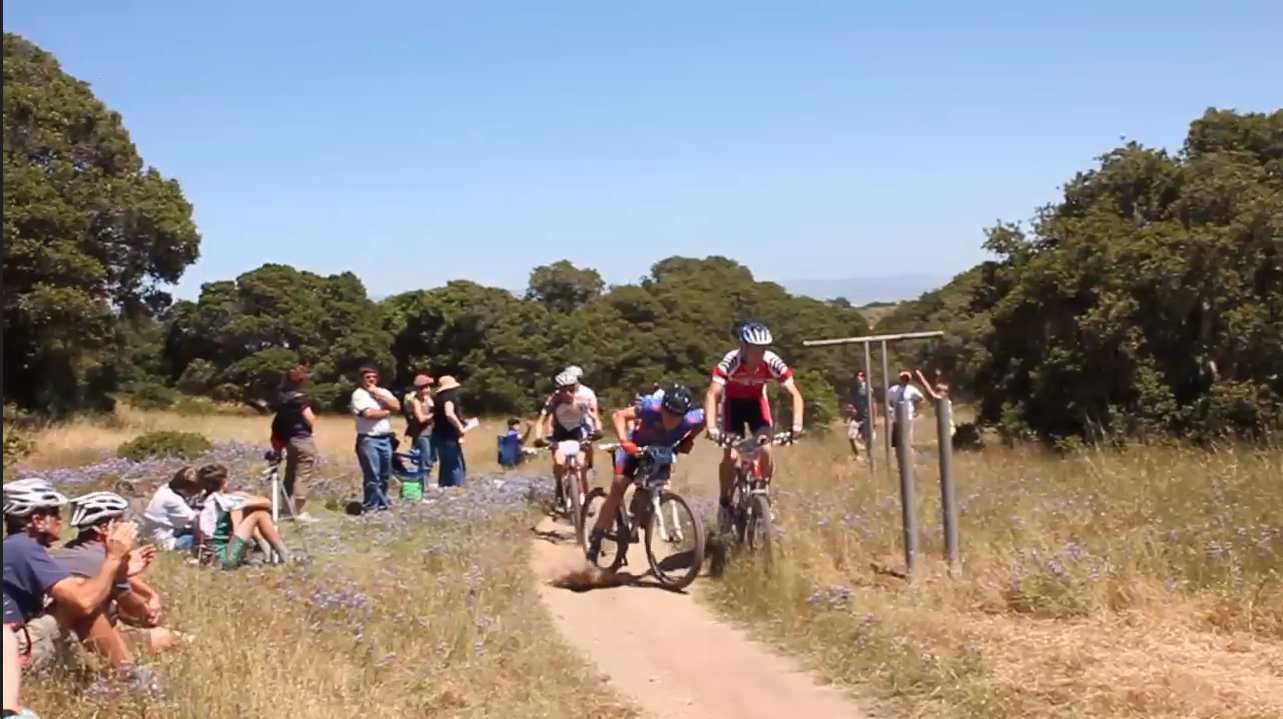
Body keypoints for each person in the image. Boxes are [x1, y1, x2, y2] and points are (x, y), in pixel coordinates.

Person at [3, 479, 146, 718]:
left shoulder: (17, 548)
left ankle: (115, 677)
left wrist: (118, 570)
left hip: (17, 643)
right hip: (13, 649)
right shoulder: (23, 548)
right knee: (79, 602)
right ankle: (129, 676)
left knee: (80, 595)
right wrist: (112, 559)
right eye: (55, 513)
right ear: (38, 521)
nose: (61, 519)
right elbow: (83, 601)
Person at [585, 386, 706, 564]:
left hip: (662, 452)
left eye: (676, 416)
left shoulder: (693, 417)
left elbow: (706, 419)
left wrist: (690, 438)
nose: (670, 420)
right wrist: (625, 442)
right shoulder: (651, 407)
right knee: (619, 485)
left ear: (684, 415)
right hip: (637, 449)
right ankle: (596, 537)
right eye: (667, 414)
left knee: (654, 487)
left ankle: (638, 512)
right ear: (662, 408)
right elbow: (619, 415)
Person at [702, 321, 805, 531]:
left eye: (763, 349)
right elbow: (712, 394)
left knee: (765, 448)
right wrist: (712, 427)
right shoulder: (731, 361)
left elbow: (795, 394)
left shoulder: (772, 362)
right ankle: (724, 503)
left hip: (757, 404)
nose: (760, 353)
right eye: (755, 349)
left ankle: (762, 494)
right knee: (731, 455)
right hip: (733, 406)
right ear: (744, 347)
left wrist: (796, 425)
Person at [55, 493, 177, 657]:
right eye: (121, 521)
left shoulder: (72, 550)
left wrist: (147, 592)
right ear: (106, 528)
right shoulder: (104, 559)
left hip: (71, 633)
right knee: (169, 637)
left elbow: (118, 580)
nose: (128, 527)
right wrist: (149, 612)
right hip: (93, 638)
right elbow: (133, 609)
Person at [194, 464, 295, 568]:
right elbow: (267, 503)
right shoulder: (225, 501)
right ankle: (284, 555)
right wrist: (243, 496)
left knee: (248, 513)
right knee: (259, 514)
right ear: (224, 483)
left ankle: (268, 552)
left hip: (206, 556)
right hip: (223, 560)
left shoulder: (201, 500)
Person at [538, 370, 603, 507]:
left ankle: (585, 497)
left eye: (571, 390)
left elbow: (595, 417)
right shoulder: (553, 400)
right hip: (560, 434)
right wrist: (538, 438)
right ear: (558, 390)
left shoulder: (583, 400)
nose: (568, 394)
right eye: (563, 390)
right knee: (560, 463)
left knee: (581, 463)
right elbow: (540, 421)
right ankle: (559, 487)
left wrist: (598, 430)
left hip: (578, 432)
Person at [272, 364, 319, 522]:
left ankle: (286, 508)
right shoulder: (300, 398)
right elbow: (310, 418)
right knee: (303, 474)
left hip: (288, 438)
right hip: (302, 437)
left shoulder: (282, 395)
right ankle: (299, 511)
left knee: (290, 473)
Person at [350, 366, 400, 512]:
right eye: (367, 377)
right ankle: (370, 507)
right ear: (361, 379)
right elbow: (368, 414)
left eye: (374, 377)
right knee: (373, 475)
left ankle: (382, 504)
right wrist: (387, 411)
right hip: (369, 439)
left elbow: (397, 405)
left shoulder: (383, 391)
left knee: (385, 474)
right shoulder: (358, 395)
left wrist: (378, 394)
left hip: (386, 439)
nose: (371, 379)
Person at [141, 467, 201, 552]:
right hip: (164, 542)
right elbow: (197, 521)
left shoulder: (165, 489)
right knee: (204, 537)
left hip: (153, 534)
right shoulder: (174, 501)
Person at [430, 376, 470, 488]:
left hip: (438, 433)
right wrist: (459, 427)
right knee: (455, 463)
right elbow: (449, 413)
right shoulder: (449, 397)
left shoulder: (438, 398)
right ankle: (457, 486)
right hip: (448, 435)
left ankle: (444, 485)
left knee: (445, 462)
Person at [403, 374, 436, 477]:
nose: (428, 389)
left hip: (431, 432)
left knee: (431, 458)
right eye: (425, 387)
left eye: (428, 387)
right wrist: (433, 415)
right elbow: (421, 418)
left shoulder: (428, 399)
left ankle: (427, 479)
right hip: (422, 434)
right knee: (424, 459)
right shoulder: (415, 401)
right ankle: (423, 482)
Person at [886, 370, 926, 449]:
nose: (905, 380)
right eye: (903, 378)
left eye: (907, 378)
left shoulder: (912, 389)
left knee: (908, 432)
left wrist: (917, 406)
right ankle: (897, 449)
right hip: (896, 415)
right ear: (900, 378)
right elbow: (886, 399)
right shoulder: (893, 389)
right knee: (897, 432)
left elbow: (921, 398)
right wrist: (889, 408)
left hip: (908, 414)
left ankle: (907, 448)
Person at [846, 370, 876, 459]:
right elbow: (851, 402)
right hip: (856, 418)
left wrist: (874, 420)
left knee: (868, 440)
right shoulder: (853, 390)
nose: (858, 378)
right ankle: (857, 455)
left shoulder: (868, 390)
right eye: (857, 376)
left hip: (867, 417)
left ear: (864, 378)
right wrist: (851, 408)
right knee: (851, 436)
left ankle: (869, 457)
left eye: (861, 376)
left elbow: (873, 404)